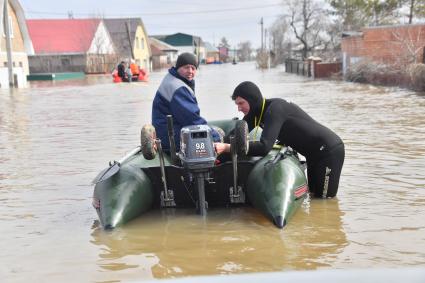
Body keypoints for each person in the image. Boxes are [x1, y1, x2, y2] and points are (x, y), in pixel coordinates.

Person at [215, 81, 345, 198]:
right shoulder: (255, 115)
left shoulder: (274, 109)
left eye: (241, 103)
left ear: (252, 100)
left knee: (325, 201)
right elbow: (234, 136)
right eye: (237, 104)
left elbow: (264, 147)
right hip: (312, 155)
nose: (238, 108)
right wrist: (216, 149)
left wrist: (227, 148)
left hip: (329, 151)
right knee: (313, 196)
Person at [151, 52, 220, 151]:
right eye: (186, 67)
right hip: (170, 138)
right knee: (217, 135)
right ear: (178, 67)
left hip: (166, 132)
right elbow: (191, 119)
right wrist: (215, 137)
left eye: (193, 68)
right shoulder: (178, 88)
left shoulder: (173, 78)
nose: (190, 71)